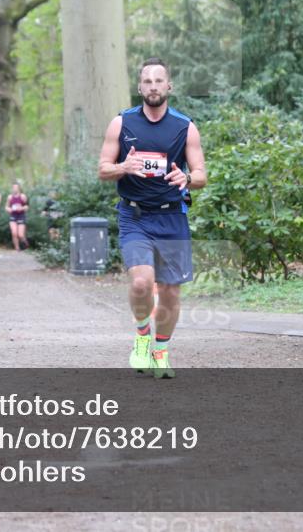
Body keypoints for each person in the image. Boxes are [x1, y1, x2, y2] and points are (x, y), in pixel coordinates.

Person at [97, 57, 207, 379]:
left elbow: (201, 173)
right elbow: (103, 168)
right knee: (142, 282)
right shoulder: (122, 123)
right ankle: (142, 336)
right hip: (135, 216)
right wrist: (123, 168)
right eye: (147, 81)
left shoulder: (185, 127)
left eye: (159, 81)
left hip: (172, 217)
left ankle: (160, 349)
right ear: (139, 87)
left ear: (168, 86)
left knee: (171, 291)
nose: (153, 86)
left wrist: (187, 179)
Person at [6, 182, 30, 251]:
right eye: (13, 188)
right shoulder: (10, 197)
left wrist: (21, 208)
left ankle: (25, 244)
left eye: (16, 187)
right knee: (14, 233)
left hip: (21, 216)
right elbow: (6, 207)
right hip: (13, 216)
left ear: (19, 188)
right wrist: (9, 209)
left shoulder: (23, 196)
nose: (15, 189)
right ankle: (17, 248)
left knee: (20, 235)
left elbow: (27, 207)